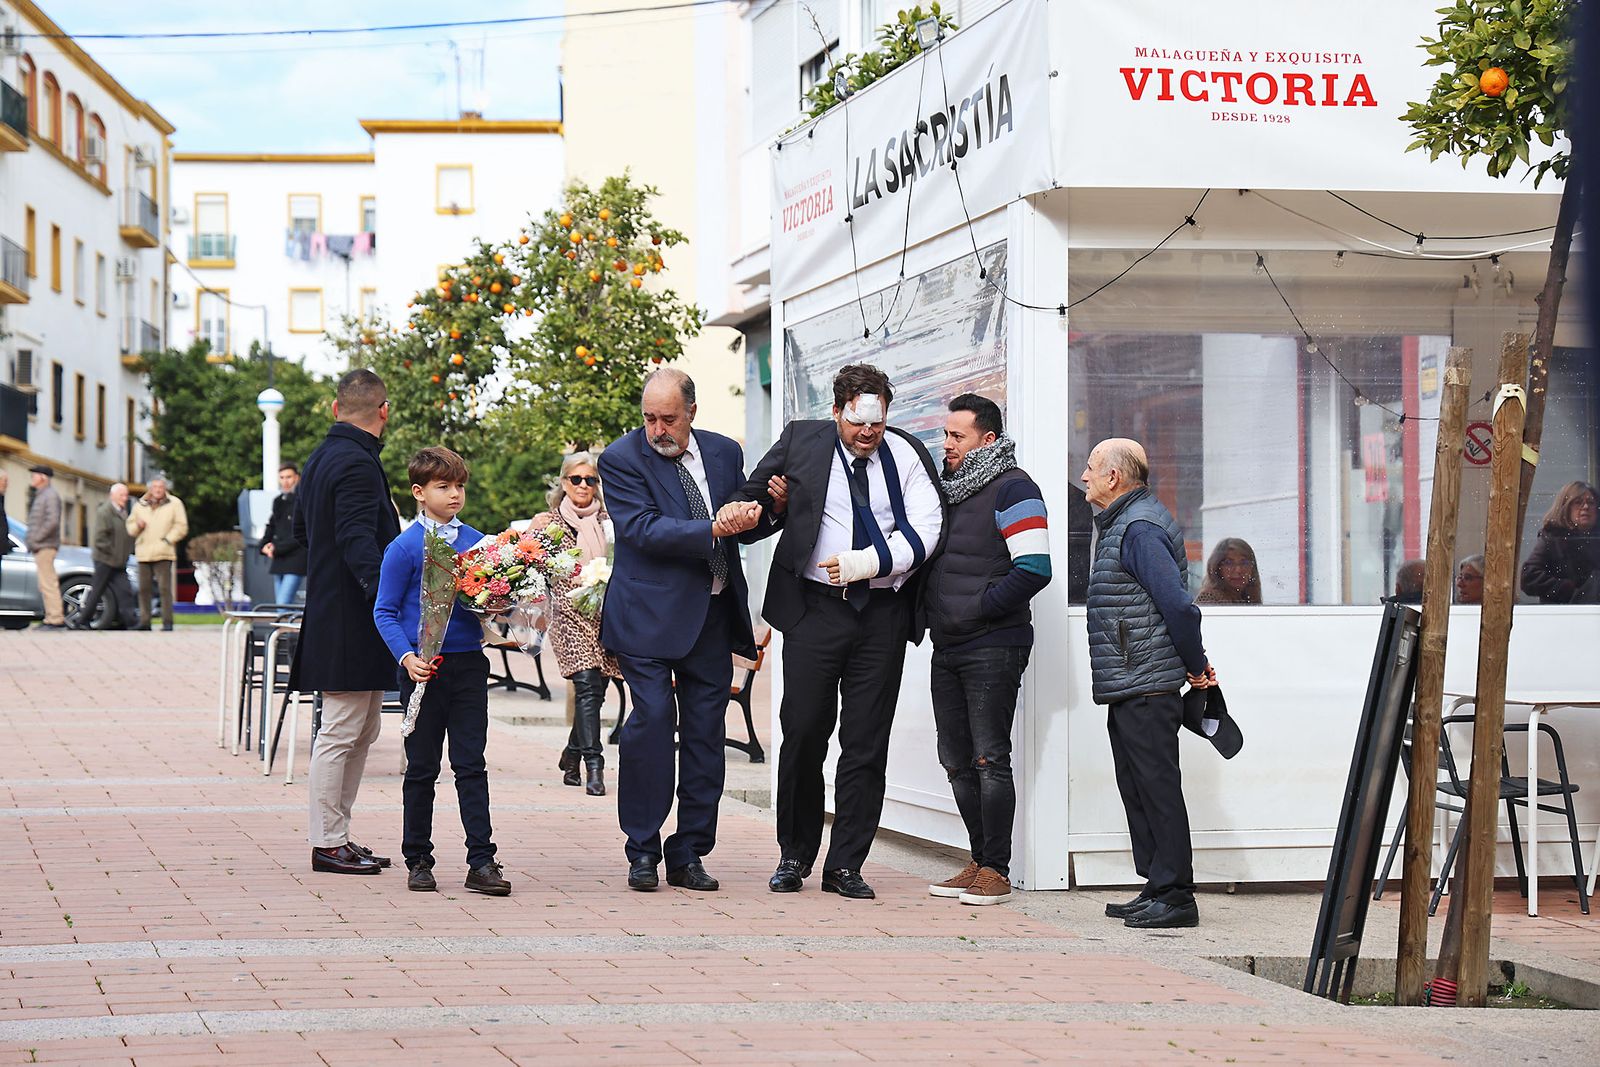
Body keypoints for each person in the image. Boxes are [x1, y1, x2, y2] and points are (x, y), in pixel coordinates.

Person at [734, 363, 945, 900]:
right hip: (812, 610)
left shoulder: (906, 455)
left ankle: (846, 863)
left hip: (880, 614)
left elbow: (927, 532)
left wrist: (867, 563)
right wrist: (773, 507)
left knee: (866, 743)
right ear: (837, 411)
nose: (867, 433)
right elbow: (750, 511)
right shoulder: (802, 441)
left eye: (876, 422)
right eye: (857, 422)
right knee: (803, 733)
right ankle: (794, 855)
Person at [599, 368, 761, 893]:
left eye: (668, 418)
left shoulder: (723, 453)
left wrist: (768, 506)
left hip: (711, 618)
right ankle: (641, 849)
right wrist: (713, 527)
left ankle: (689, 851)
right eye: (649, 418)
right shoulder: (621, 459)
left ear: (692, 411)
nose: (657, 429)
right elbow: (641, 529)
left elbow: (744, 524)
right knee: (649, 727)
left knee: (705, 738)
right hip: (646, 618)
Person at [923, 394, 1051, 907]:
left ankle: (996, 870)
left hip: (993, 644)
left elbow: (1035, 567)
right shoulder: (950, 490)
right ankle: (978, 859)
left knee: (987, 757)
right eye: (946, 435)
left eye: (958, 436)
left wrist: (977, 609)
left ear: (988, 439)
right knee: (955, 759)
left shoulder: (1015, 488)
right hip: (947, 644)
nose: (947, 445)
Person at [1081, 438, 1213, 930]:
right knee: (1138, 787)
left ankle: (1177, 896)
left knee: (1157, 790)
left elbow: (1179, 605)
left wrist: (1196, 666)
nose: (1085, 475)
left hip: (1148, 683)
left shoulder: (1139, 528)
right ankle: (1158, 885)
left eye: (1092, 468)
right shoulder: (1125, 524)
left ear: (1114, 478)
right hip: (1132, 681)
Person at [374, 447, 509, 897]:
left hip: (469, 665)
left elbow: (490, 603)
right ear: (419, 492)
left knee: (471, 764)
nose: (455, 494)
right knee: (422, 768)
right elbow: (385, 612)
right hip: (422, 671)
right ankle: (418, 859)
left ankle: (482, 860)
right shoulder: (404, 547)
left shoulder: (479, 543)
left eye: (459, 486)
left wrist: (503, 608)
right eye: (443, 487)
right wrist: (407, 658)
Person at [289, 368, 402, 876]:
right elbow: (359, 540)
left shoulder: (320, 459)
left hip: (340, 609)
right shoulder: (356, 463)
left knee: (361, 729)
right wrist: (385, 604)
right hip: (352, 618)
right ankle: (326, 841)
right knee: (341, 731)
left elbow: (300, 531)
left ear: (337, 409)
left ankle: (338, 836)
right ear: (383, 411)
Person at [528, 451, 620, 797]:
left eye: (590, 480)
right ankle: (594, 768)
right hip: (567, 617)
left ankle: (571, 753)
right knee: (587, 685)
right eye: (576, 479)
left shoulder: (611, 521)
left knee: (597, 691)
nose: (583, 486)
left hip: (605, 615)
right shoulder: (547, 523)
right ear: (564, 482)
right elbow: (529, 567)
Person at [1521, 480, 1600, 604]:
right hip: (1562, 615)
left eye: (1591, 502)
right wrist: (1568, 589)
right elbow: (1530, 578)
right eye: (1578, 502)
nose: (1585, 507)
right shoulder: (1553, 539)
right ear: (1566, 507)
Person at [127, 477, 189, 631]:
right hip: (143, 552)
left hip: (163, 552)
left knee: (164, 589)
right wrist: (137, 526)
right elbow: (130, 528)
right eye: (155, 487)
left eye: (160, 487)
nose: (158, 490)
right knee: (143, 589)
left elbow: (181, 526)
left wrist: (168, 540)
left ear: (165, 488)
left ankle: (167, 622)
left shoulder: (175, 503)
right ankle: (145, 621)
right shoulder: (140, 505)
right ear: (150, 489)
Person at [74, 484, 139, 630]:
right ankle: (82, 621)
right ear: (113, 496)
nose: (125, 498)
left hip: (119, 561)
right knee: (97, 590)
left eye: (126, 495)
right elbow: (100, 539)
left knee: (125, 591)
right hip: (105, 560)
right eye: (122, 495)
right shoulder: (105, 512)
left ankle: (132, 622)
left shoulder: (122, 512)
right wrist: (115, 554)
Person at [25, 465, 64, 630]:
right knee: (45, 583)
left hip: (45, 546)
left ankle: (55, 619)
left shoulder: (50, 496)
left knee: (48, 583)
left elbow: (52, 522)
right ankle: (50, 617)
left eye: (34, 475)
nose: (32, 478)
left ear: (43, 477)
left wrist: (36, 538)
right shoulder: (43, 495)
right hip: (41, 546)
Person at [261, 463, 307, 605]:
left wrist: (276, 547)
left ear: (297, 478)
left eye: (289, 477)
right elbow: (272, 525)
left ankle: (288, 628)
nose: (285, 481)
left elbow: (302, 532)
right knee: (283, 605)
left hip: (296, 559)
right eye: (282, 477)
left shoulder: (303, 500)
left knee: (283, 603)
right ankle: (289, 628)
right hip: (279, 559)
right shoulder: (278, 501)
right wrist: (264, 545)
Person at [1196, 538, 1262, 605]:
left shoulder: (1247, 597)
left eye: (1244, 563)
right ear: (1217, 567)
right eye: (1228, 563)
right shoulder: (1209, 598)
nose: (1238, 570)